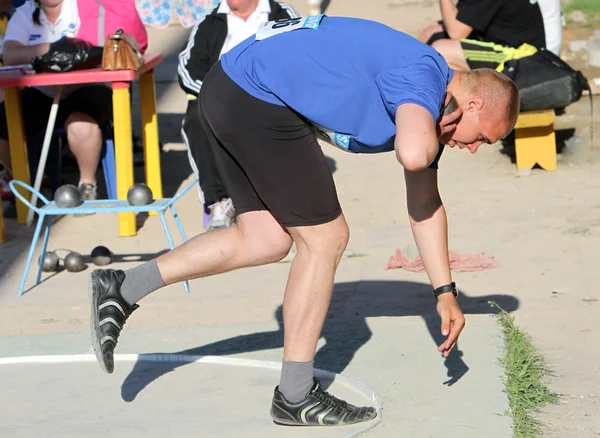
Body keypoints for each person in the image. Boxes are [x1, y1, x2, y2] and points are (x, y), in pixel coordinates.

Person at [89, 16, 519, 427]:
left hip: (234, 86)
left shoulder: (434, 102)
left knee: (264, 239)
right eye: (484, 136)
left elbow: (424, 203)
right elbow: (412, 154)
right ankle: (296, 396)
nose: (477, 147)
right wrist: (430, 132)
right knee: (326, 238)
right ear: (475, 103)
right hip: (254, 94)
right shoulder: (424, 77)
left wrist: (444, 292)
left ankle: (123, 288)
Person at [178, 0, 298, 231]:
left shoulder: (280, 13)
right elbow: (188, 70)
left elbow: (298, 58)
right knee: (196, 120)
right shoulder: (210, 21)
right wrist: (215, 95)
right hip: (219, 98)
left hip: (268, 96)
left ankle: (278, 201)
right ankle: (219, 202)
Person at [0, 0, 113, 202]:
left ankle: (87, 185)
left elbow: (95, 47)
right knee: (2, 120)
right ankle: (27, 182)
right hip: (44, 92)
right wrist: (56, 48)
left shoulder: (84, 6)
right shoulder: (25, 13)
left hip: (89, 86)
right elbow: (9, 54)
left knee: (80, 123)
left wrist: (36, 51)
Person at [420, 0, 546, 71]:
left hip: (521, 59)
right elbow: (464, 17)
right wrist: (437, 27)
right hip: (512, 49)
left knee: (440, 51)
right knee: (434, 37)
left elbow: (456, 32)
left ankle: (470, 104)